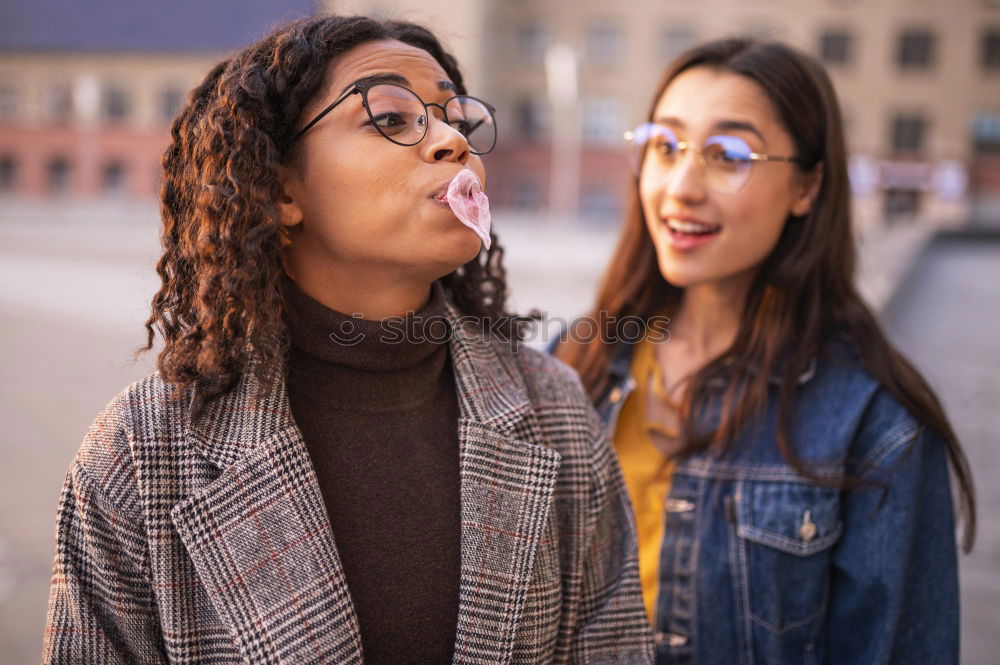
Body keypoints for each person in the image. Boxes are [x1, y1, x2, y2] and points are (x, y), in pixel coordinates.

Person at [42, 15, 652, 664]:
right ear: (279, 187)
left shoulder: (555, 410)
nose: (452, 141)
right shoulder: (143, 450)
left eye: (458, 120)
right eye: (391, 117)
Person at [554, 37, 975, 665]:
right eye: (664, 147)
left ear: (807, 187)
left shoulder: (876, 423)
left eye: (727, 155)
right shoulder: (572, 364)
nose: (681, 188)